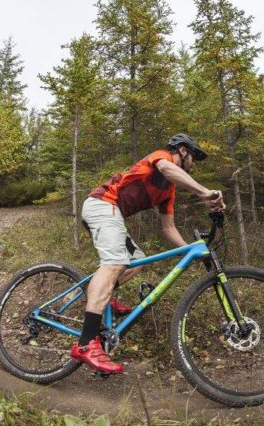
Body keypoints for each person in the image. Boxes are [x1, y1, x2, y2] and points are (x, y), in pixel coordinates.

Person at [72, 134, 225, 374]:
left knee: (136, 261)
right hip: (102, 204)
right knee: (115, 262)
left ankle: (100, 293)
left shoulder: (168, 192)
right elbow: (166, 168)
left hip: (113, 213)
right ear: (182, 151)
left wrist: (192, 250)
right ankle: (86, 344)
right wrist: (204, 192)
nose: (193, 163)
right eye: (193, 157)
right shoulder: (161, 158)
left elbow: (169, 229)